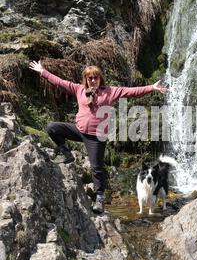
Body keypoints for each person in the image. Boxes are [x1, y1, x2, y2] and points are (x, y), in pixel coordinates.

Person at [29, 60, 166, 214]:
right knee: (52, 128)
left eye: (95, 77)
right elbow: (60, 82)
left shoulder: (109, 91)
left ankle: (99, 198)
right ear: (85, 79)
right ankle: (66, 153)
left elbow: (131, 91)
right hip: (79, 130)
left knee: (96, 168)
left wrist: (151, 88)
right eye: (89, 78)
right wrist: (42, 71)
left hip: (96, 136)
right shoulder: (78, 89)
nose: (92, 80)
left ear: (100, 78)